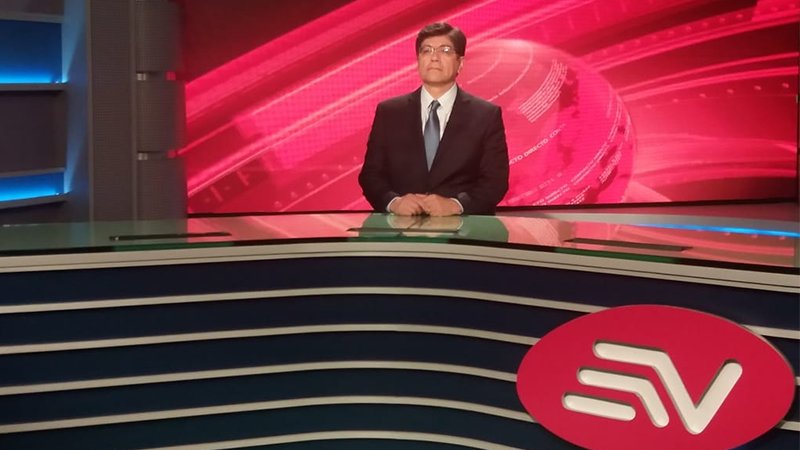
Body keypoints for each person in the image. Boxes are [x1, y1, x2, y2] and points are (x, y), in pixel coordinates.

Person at [358, 22, 509, 216]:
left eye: (445, 50)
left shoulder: (486, 115)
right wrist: (394, 203)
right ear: (418, 60)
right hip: (401, 229)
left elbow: (495, 181)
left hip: (465, 229)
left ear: (460, 63)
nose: (434, 57)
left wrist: (456, 205)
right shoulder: (389, 112)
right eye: (426, 50)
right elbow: (371, 176)